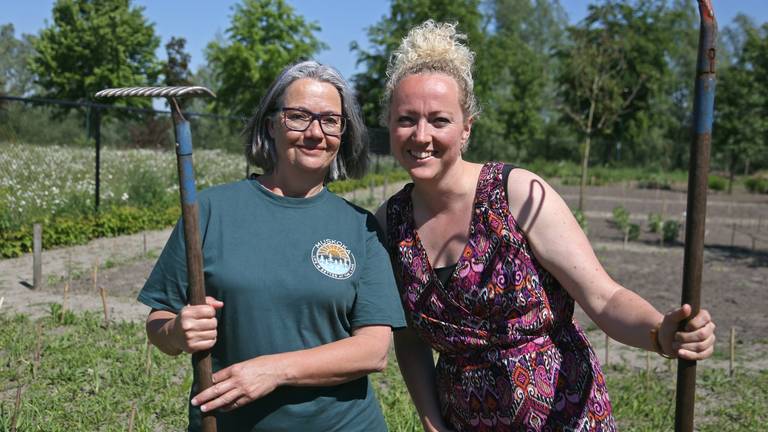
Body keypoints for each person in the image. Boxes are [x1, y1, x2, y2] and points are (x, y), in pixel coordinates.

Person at [375, 21, 716, 432]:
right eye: (406, 119)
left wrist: (660, 333)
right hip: (463, 419)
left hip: (562, 414)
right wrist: (432, 423)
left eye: (439, 120)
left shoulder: (515, 193)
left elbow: (603, 298)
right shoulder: (390, 223)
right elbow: (410, 337)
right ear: (389, 125)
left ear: (467, 127)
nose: (421, 135)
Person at [139, 60, 406, 431]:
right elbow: (158, 321)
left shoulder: (360, 226)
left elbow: (373, 350)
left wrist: (273, 370)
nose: (315, 132)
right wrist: (175, 332)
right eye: (299, 116)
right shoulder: (210, 211)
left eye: (330, 120)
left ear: (343, 133)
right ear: (271, 124)